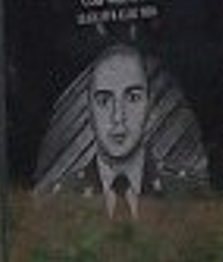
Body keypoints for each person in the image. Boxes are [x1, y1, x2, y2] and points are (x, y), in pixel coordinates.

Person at [47, 43, 201, 222]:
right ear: (90, 110)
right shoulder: (56, 203)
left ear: (149, 106)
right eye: (104, 100)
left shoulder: (191, 197)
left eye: (132, 97)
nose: (118, 117)